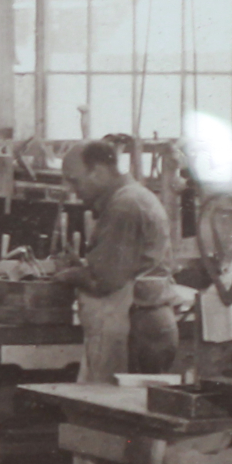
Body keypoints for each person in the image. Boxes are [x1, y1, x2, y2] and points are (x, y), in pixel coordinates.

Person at [52, 139, 180, 382]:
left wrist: (69, 275)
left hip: (138, 328)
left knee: (120, 407)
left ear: (98, 172)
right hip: (146, 320)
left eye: (74, 180)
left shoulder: (125, 205)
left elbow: (105, 281)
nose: (72, 189)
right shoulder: (131, 197)